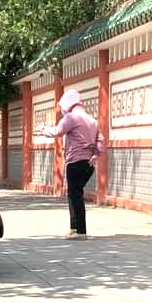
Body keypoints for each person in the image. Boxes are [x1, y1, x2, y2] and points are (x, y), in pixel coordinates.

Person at [42, 89, 104, 239]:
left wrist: (43, 129)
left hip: (75, 161)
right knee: (74, 194)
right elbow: (101, 140)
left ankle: (80, 231)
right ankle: (74, 228)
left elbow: (57, 131)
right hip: (89, 164)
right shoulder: (91, 120)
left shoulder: (71, 118)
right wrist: (96, 154)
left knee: (75, 195)